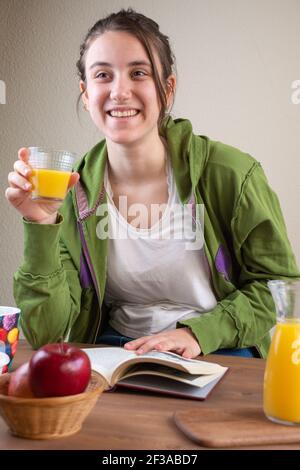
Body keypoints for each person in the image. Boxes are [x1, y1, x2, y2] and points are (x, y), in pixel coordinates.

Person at [6, 8, 299, 359]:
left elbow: (279, 287)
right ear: (86, 94)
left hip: (220, 349)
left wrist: (197, 334)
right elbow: (45, 333)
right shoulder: (72, 192)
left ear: (167, 88)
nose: (119, 91)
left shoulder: (232, 173)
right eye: (103, 75)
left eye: (138, 72)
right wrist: (41, 223)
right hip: (117, 353)